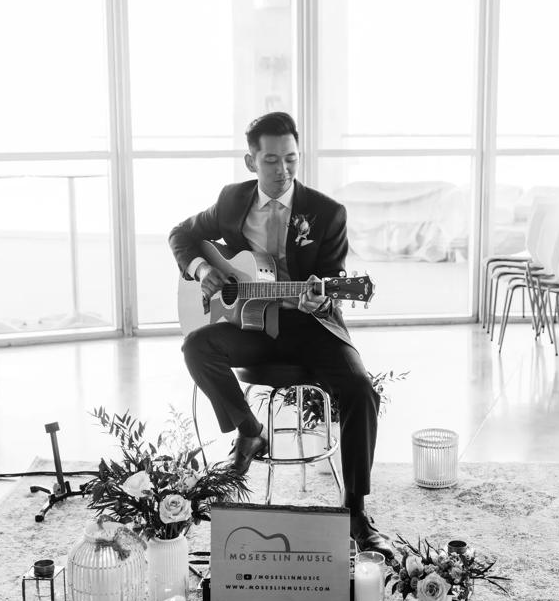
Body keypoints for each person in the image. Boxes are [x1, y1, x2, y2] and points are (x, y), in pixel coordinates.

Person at [168, 112, 395, 561]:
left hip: (312, 325)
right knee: (196, 347)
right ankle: (250, 431)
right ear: (250, 160)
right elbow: (182, 235)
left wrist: (321, 299)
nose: (283, 170)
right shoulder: (232, 202)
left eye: (291, 159)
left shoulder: (327, 212)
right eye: (271, 160)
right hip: (253, 325)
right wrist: (204, 269)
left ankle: (356, 511)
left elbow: (333, 280)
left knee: (360, 390)